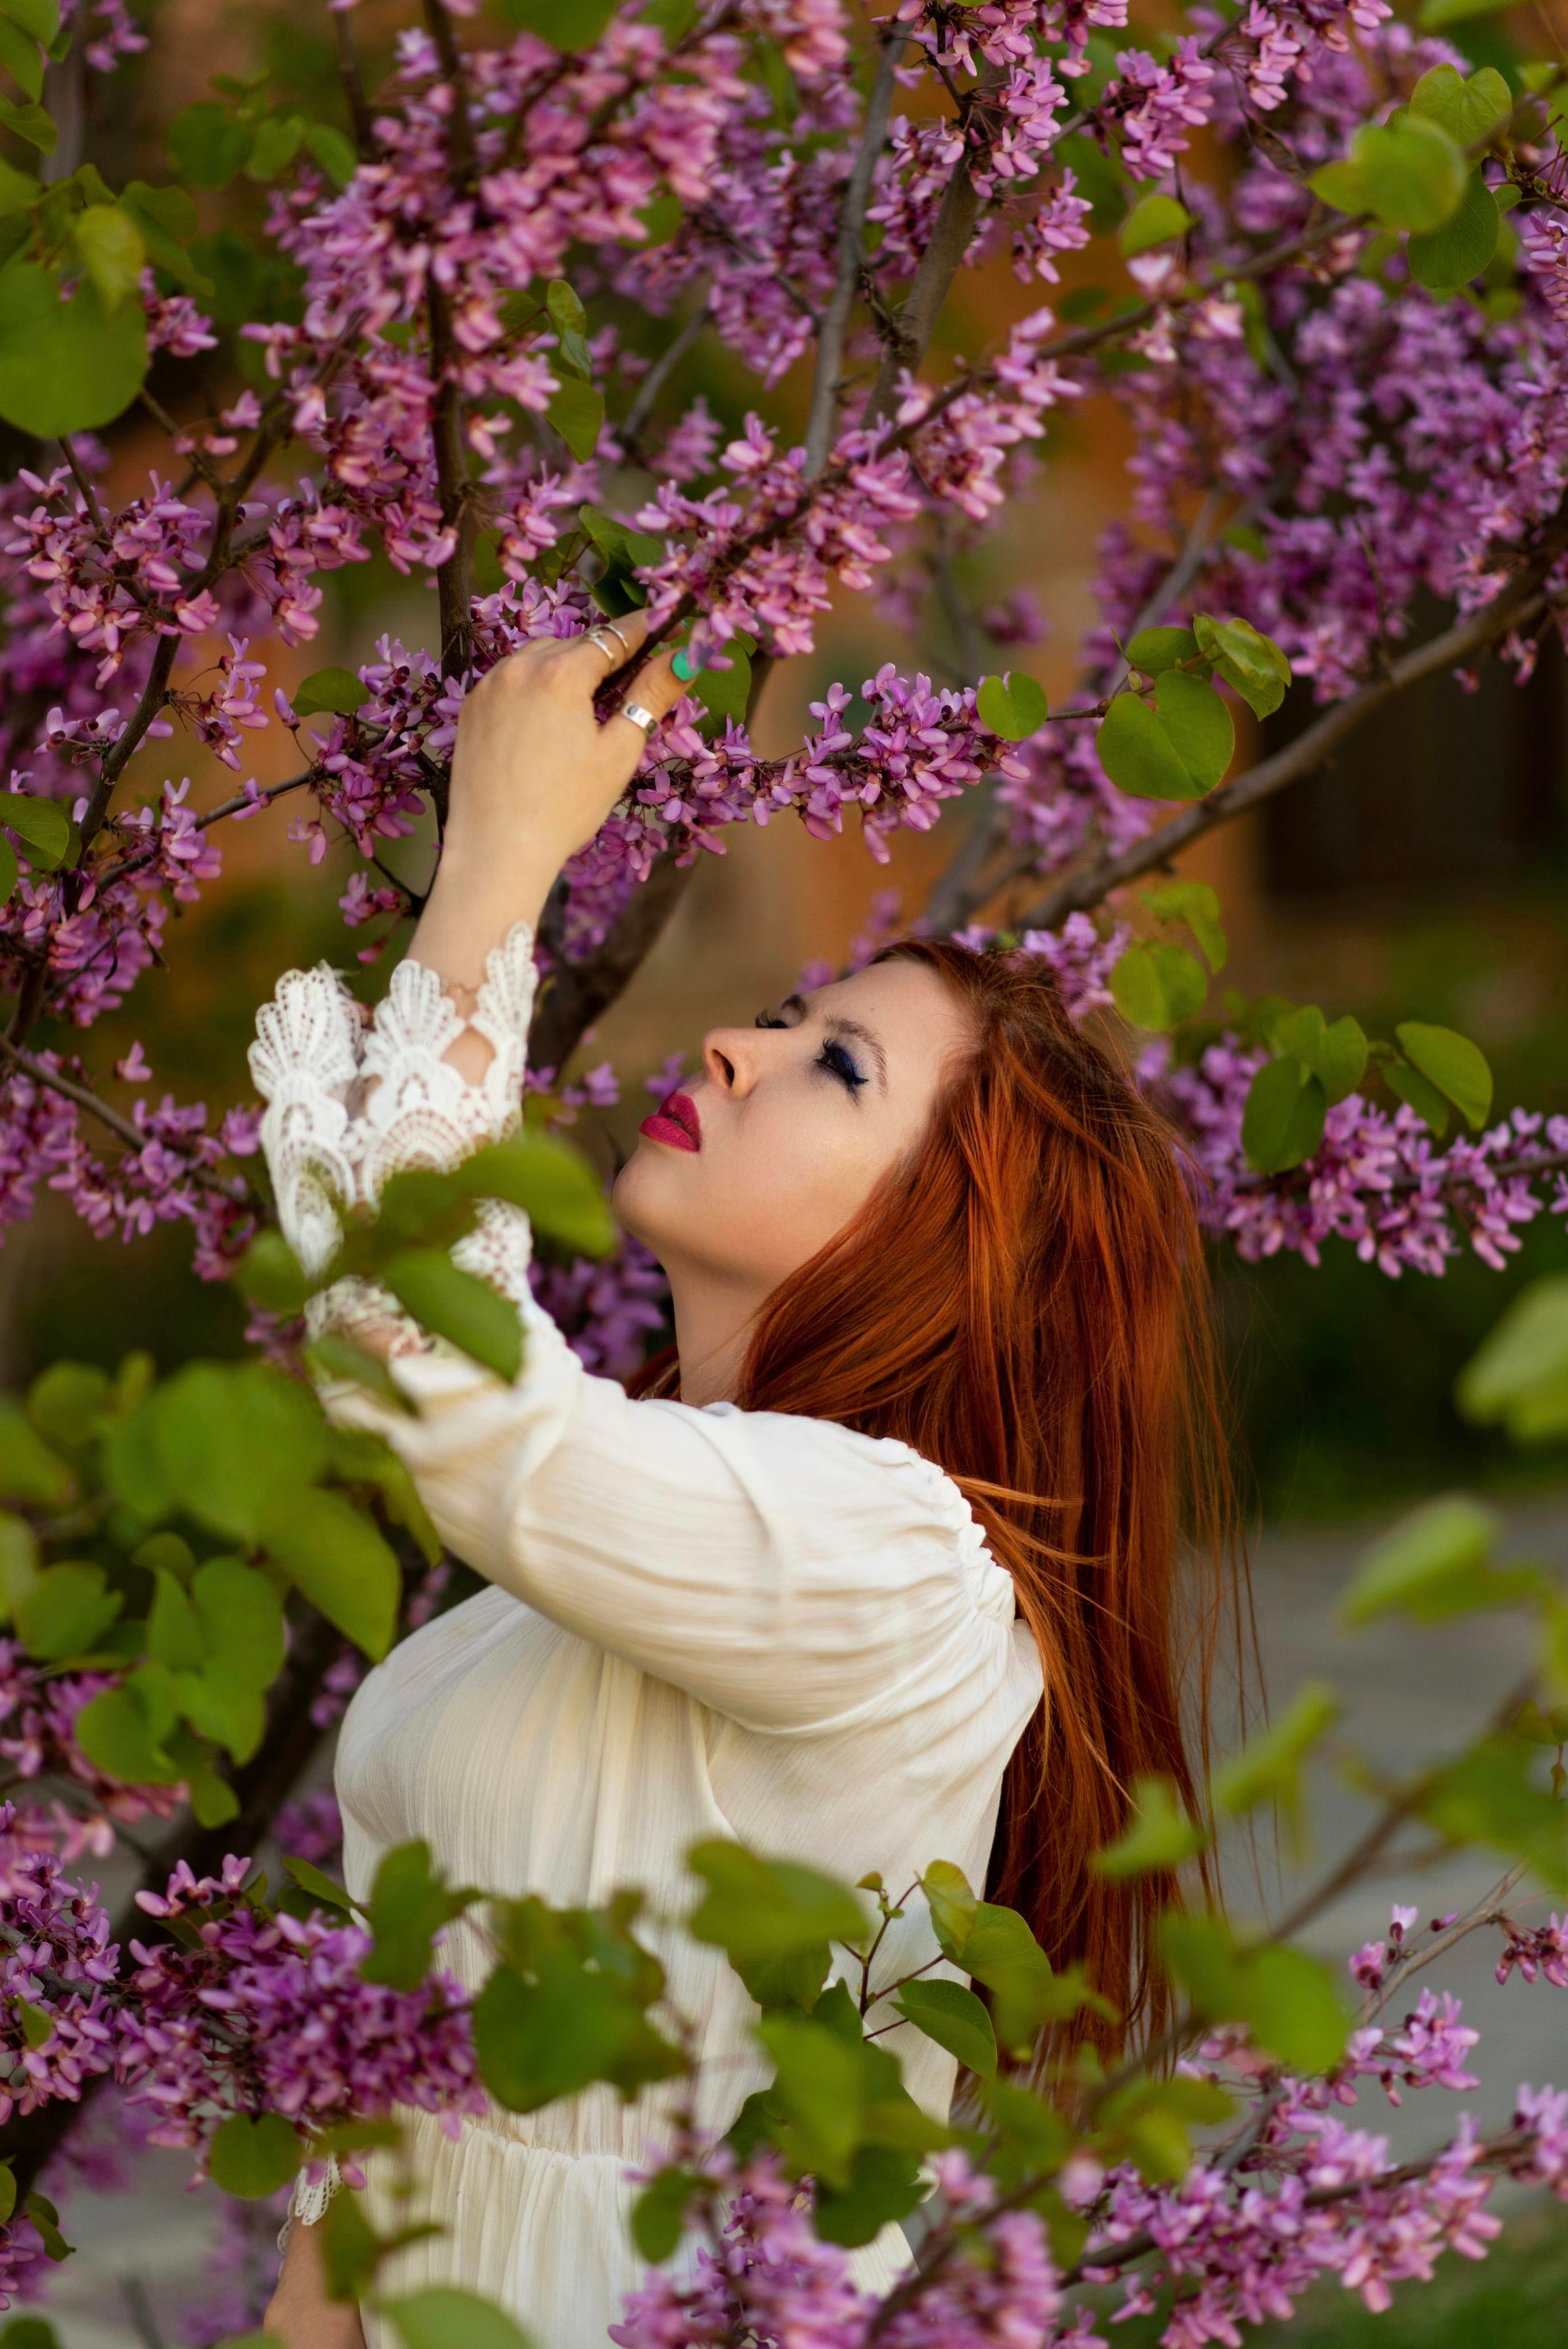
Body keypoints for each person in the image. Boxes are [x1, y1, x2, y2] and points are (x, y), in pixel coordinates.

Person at [255, 610, 1236, 2349]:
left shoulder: (905, 1570)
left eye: (831, 1066)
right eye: (784, 1016)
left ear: (951, 1257)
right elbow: (385, 2116)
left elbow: (443, 1386)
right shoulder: (599, 1560)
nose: (731, 1049)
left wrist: (495, 869)